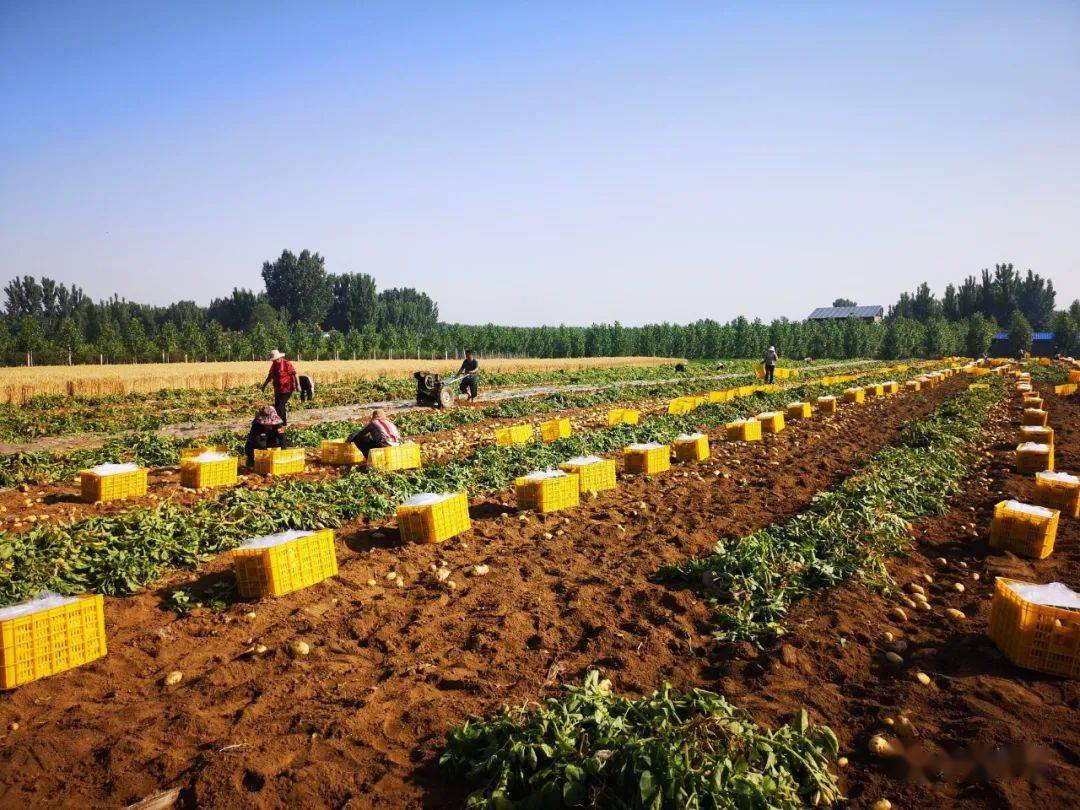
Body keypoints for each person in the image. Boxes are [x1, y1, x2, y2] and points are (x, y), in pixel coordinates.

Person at [261, 349, 299, 423]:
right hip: (278, 389)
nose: (274, 361)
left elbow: (294, 374)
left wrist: (298, 385)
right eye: (273, 360)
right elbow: (270, 376)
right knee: (277, 406)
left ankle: (281, 423)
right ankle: (281, 422)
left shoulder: (286, 363)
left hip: (287, 388)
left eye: (276, 360)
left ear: (279, 358)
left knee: (281, 405)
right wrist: (264, 385)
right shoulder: (274, 365)